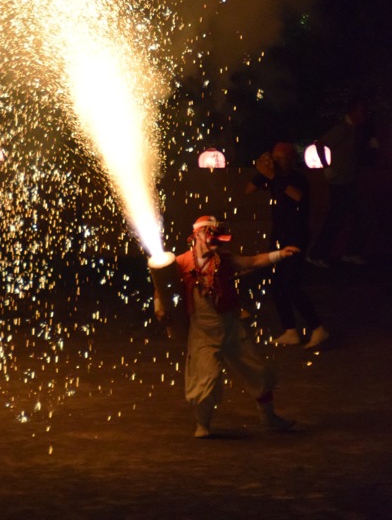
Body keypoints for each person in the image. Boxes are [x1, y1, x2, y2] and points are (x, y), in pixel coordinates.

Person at [153, 215, 298, 438]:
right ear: (198, 235)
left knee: (259, 373)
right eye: (212, 237)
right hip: (202, 332)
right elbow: (161, 288)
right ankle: (203, 424)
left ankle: (268, 417)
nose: (217, 243)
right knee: (205, 381)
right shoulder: (180, 262)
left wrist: (279, 254)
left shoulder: (225, 260)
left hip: (231, 327)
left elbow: (254, 261)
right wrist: (160, 310)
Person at [247, 143, 329, 349]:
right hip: (279, 235)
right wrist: (262, 172)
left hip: (296, 236)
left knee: (291, 283)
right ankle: (290, 331)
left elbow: (297, 196)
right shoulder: (272, 176)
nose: (277, 161)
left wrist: (273, 176)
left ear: (291, 159)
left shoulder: (296, 178)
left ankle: (318, 328)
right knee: (276, 284)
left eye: (281, 158)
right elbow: (248, 190)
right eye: (274, 157)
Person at [307, 98, 376, 267]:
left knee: (352, 217)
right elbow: (320, 144)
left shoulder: (355, 130)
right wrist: (326, 167)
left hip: (348, 182)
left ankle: (344, 252)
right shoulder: (342, 129)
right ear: (353, 111)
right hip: (340, 183)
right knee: (338, 219)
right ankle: (318, 254)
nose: (363, 115)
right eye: (361, 111)